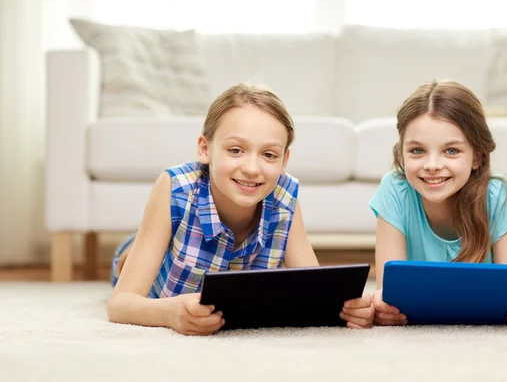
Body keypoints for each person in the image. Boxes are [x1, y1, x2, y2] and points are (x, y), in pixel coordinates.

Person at [107, 83, 374, 335]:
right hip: (167, 256)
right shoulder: (175, 187)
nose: (252, 168)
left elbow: (317, 293)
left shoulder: (284, 197)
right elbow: (120, 304)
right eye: (236, 150)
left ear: (284, 161)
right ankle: (131, 255)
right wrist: (170, 314)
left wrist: (350, 308)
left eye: (269, 155)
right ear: (205, 149)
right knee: (131, 263)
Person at [370, 79, 507, 327]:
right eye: (417, 151)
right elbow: (387, 294)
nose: (432, 165)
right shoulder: (395, 190)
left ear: (477, 156)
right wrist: (382, 308)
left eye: (451, 151)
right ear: (401, 152)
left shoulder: (497, 195)